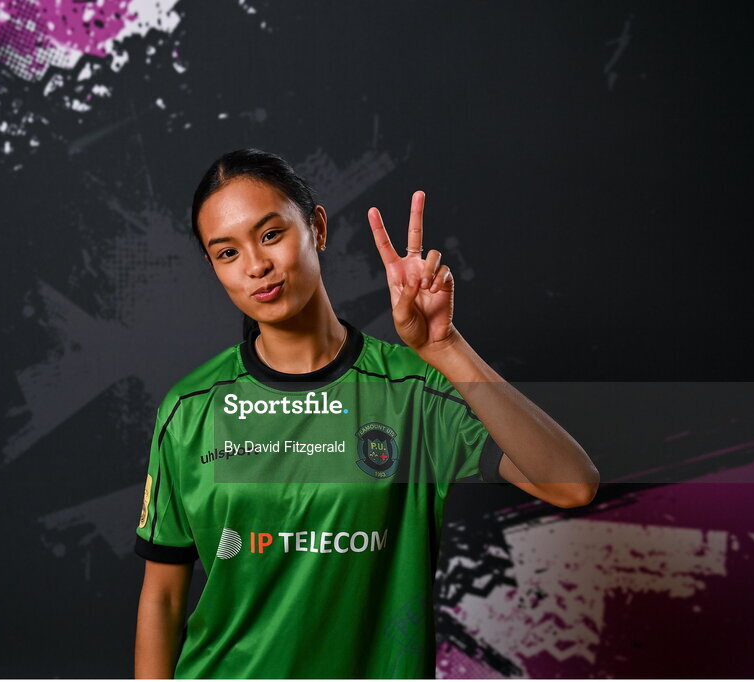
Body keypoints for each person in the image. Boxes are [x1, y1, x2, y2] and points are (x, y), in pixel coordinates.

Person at [133, 148, 599, 679]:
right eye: (227, 253)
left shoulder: (413, 391)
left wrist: (446, 349)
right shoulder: (191, 408)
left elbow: (573, 485)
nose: (256, 266)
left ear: (317, 227)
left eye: (271, 234)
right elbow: (162, 598)